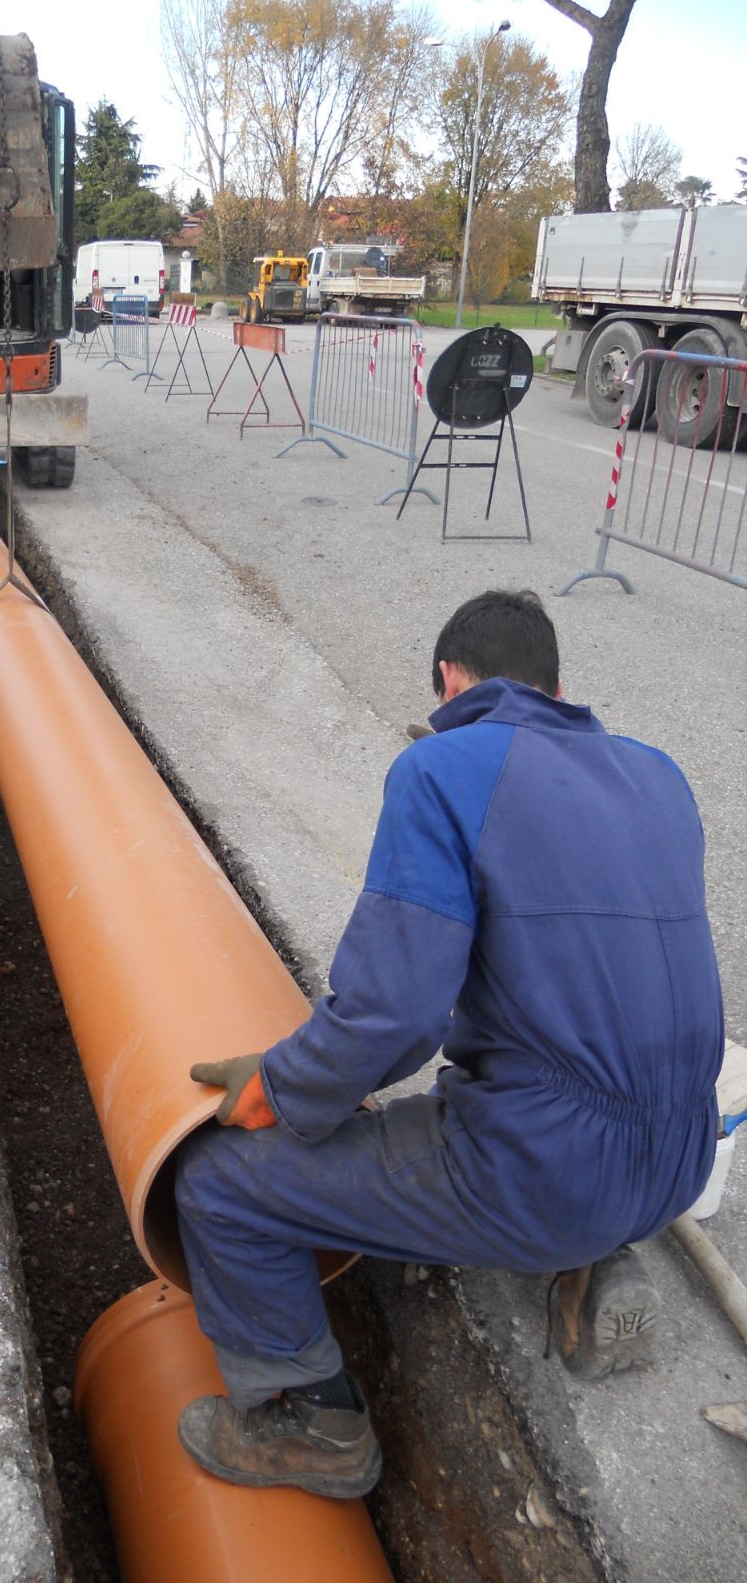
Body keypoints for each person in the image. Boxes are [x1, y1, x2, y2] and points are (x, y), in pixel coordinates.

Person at [175, 589, 723, 1501]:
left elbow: (396, 1013)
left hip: (546, 1169)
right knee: (574, 1084)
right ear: (559, 687)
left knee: (221, 1188)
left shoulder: (443, 768)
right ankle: (601, 1254)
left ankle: (316, 1422)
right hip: (680, 1159)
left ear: (448, 681)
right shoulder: (659, 775)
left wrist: (286, 1085)